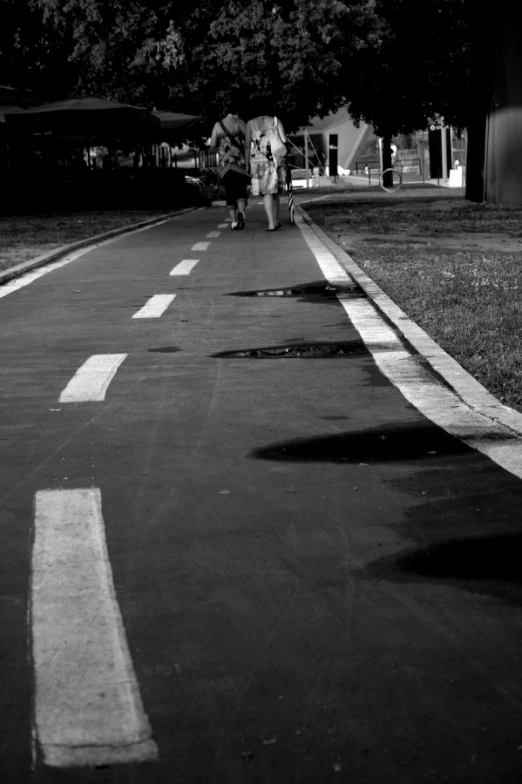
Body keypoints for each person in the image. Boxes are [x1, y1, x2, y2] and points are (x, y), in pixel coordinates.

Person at [245, 111, 287, 231]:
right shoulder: (276, 121)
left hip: (259, 161)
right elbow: (284, 140)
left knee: (266, 192)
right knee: (275, 192)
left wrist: (247, 164)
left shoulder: (250, 123)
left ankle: (271, 224)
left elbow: (248, 146)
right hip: (275, 159)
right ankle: (275, 221)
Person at [210, 104, 248, 230]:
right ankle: (241, 213)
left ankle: (233, 222)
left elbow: (213, 144)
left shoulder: (217, 125)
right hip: (239, 164)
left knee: (230, 193)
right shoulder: (239, 122)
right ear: (236, 112)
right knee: (240, 190)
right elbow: (249, 139)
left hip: (225, 165)